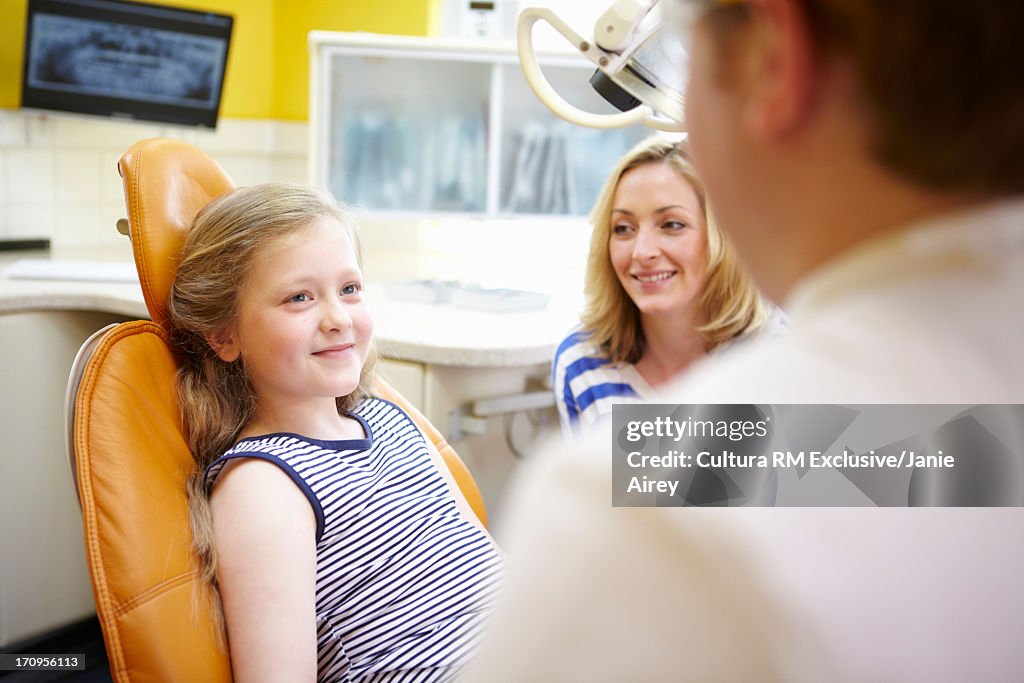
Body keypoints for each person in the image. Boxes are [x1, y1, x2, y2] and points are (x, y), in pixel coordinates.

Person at [468, 0, 1024, 680]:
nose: (644, 250)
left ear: (771, 53)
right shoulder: (975, 434)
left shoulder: (646, 513)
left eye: (682, 51)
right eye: (623, 227)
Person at [167, 183, 503, 682]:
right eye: (299, 297)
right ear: (224, 335)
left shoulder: (393, 421)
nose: (338, 318)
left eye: (349, 289)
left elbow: (494, 571)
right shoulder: (266, 485)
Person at [553, 136, 780, 435]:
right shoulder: (581, 361)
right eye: (623, 229)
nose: (641, 251)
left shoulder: (780, 353)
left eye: (672, 225)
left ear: (721, 238)